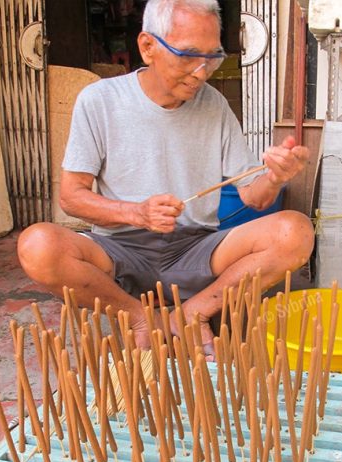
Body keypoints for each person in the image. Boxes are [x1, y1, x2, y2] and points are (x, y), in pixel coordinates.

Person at [17, 0, 314, 355]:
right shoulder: (99, 101)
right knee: (37, 245)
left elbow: (254, 197)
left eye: (212, 57)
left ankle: (192, 313)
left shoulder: (214, 105)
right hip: (118, 252)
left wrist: (276, 177)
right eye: (188, 56)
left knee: (295, 232)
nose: (201, 72)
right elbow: (71, 196)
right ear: (148, 47)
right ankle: (138, 316)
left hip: (196, 249)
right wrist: (136, 214)